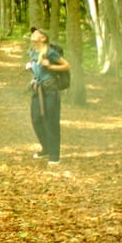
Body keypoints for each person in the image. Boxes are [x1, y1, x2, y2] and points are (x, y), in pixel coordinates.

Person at [25, 27, 71, 165]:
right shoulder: (33, 52)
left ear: (43, 38)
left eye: (36, 33)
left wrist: (50, 66)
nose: (33, 34)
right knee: (36, 119)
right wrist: (30, 66)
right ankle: (45, 148)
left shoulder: (50, 52)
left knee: (51, 121)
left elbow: (67, 65)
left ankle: (54, 155)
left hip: (50, 89)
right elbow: (37, 69)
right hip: (37, 90)